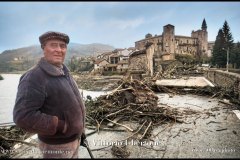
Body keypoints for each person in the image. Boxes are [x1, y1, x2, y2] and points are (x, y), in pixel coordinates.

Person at [13, 31, 86, 158]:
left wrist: (80, 130)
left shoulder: (64, 72)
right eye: (53, 45)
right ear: (43, 48)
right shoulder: (34, 77)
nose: (59, 49)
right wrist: (63, 126)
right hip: (56, 146)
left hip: (74, 139)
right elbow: (23, 116)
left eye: (62, 46)